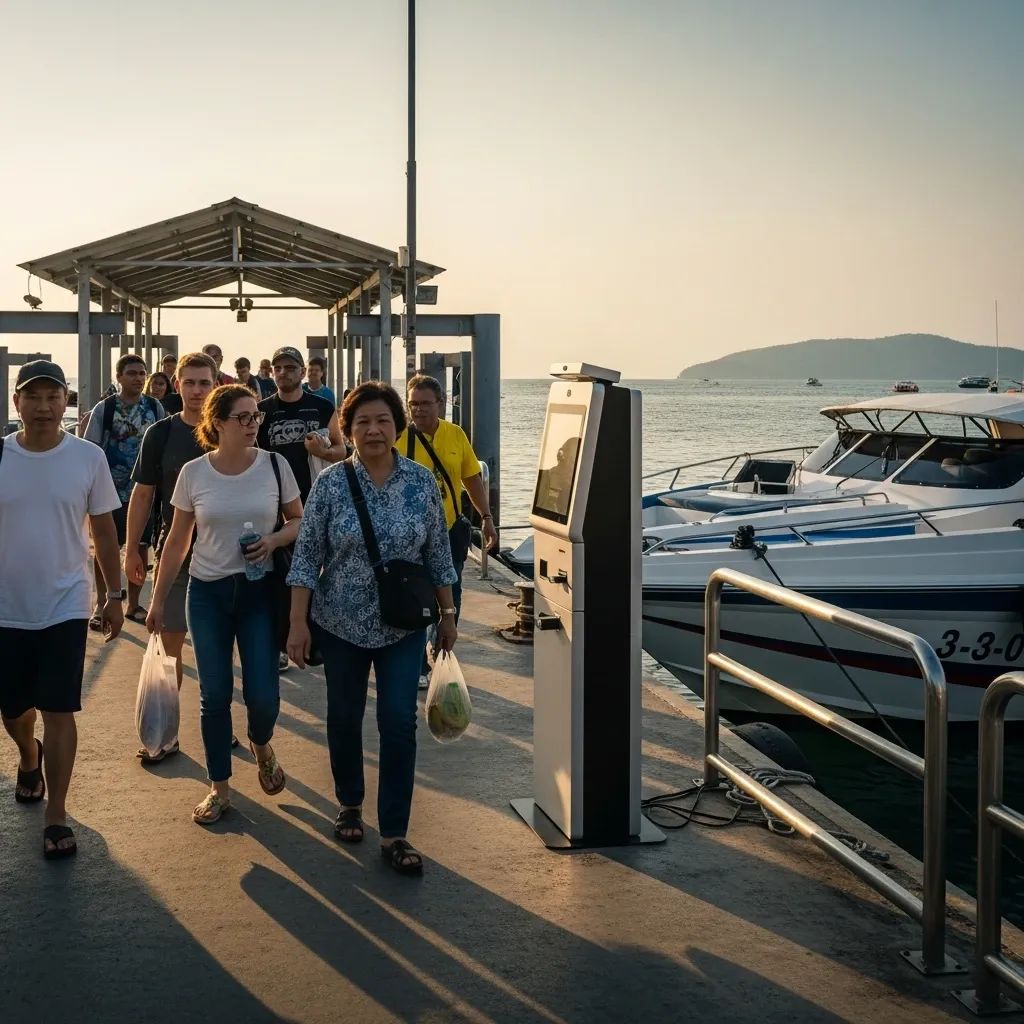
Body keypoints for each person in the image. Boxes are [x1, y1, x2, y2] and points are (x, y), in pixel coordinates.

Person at [286, 382, 457, 875]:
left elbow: (439, 556)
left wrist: (447, 617)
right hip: (339, 623)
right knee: (343, 716)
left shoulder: (421, 482)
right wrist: (297, 623)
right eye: (362, 422)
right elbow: (307, 557)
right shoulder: (332, 483)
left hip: (402, 628)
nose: (373, 430)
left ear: (397, 425)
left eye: (382, 420)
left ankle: (396, 831)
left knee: (399, 724)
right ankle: (349, 803)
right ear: (349, 429)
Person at [147, 385, 303, 825]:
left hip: (257, 593)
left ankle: (261, 740)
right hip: (208, 592)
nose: (254, 424)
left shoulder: (275, 465)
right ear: (217, 423)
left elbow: (298, 519)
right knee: (214, 694)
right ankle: (219, 787)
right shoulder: (195, 473)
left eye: (257, 416)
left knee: (262, 694)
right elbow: (178, 539)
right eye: (244, 417)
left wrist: (272, 541)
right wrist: (158, 601)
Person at [0, 360, 124, 859]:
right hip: (6, 607)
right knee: (13, 709)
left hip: (66, 602)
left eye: (54, 397)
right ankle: (28, 756)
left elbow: (104, 529)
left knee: (59, 706)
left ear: (67, 402)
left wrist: (115, 596)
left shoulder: (87, 458)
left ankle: (56, 815)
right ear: (17, 404)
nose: (44, 406)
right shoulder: (1, 457)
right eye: (34, 396)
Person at [125, 352, 217, 761]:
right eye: (190, 383)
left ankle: (221, 726)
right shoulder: (160, 434)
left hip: (229, 558)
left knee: (219, 654)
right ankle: (167, 732)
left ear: (216, 385)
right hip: (175, 554)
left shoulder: (232, 429)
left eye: (205, 383)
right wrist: (133, 547)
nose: (197, 391)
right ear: (176, 385)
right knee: (170, 647)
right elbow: (143, 495)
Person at [396, 374, 497, 685]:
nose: (419, 410)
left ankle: (441, 656)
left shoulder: (455, 435)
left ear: (440, 404)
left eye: (426, 404)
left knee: (451, 596)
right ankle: (419, 666)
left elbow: (471, 478)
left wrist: (487, 517)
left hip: (450, 530)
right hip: (411, 537)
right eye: (413, 404)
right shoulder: (399, 437)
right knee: (416, 598)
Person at [84, 354, 165, 624]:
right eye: (132, 373)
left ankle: (133, 604)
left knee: (140, 548)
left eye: (142, 373)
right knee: (106, 547)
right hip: (109, 493)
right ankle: (102, 603)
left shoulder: (154, 407)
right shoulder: (104, 409)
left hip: (144, 492)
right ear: (119, 377)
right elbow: (91, 448)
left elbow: (163, 446)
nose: (139, 378)